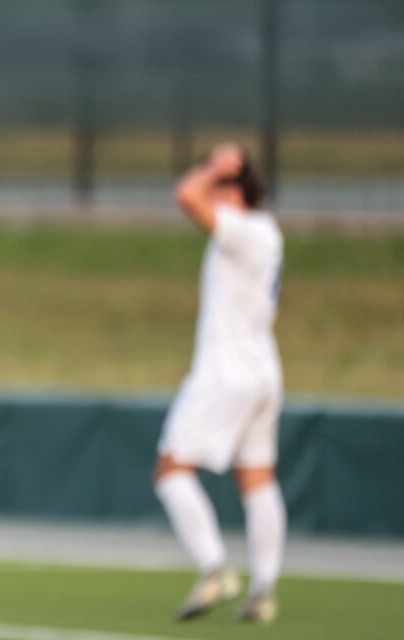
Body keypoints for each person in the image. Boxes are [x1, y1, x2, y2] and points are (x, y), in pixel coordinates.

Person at [154, 142, 286, 624]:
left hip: (226, 373)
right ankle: (265, 589)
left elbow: (186, 196)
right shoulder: (266, 233)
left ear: (236, 191)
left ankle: (215, 568)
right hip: (263, 371)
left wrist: (215, 168)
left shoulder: (245, 231)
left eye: (223, 187)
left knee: (171, 470)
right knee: (257, 479)